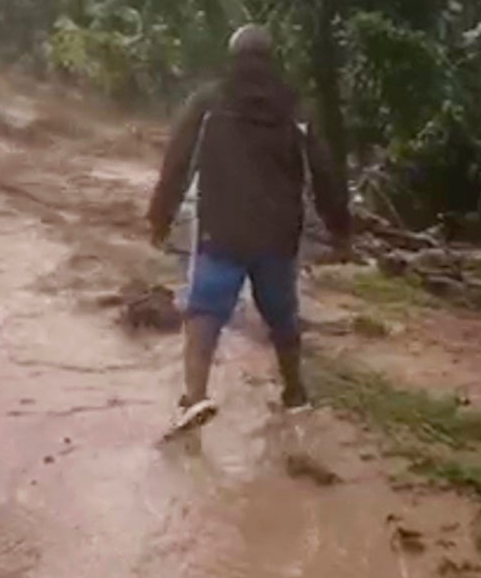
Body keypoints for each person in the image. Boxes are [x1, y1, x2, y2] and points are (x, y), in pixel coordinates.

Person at [146, 24, 350, 437]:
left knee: (204, 312)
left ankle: (194, 397)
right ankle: (295, 394)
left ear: (232, 55)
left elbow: (177, 162)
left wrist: (160, 216)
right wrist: (339, 227)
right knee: (282, 315)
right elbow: (325, 171)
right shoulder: (295, 108)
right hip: (278, 235)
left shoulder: (208, 101)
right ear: (272, 58)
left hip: (221, 230)